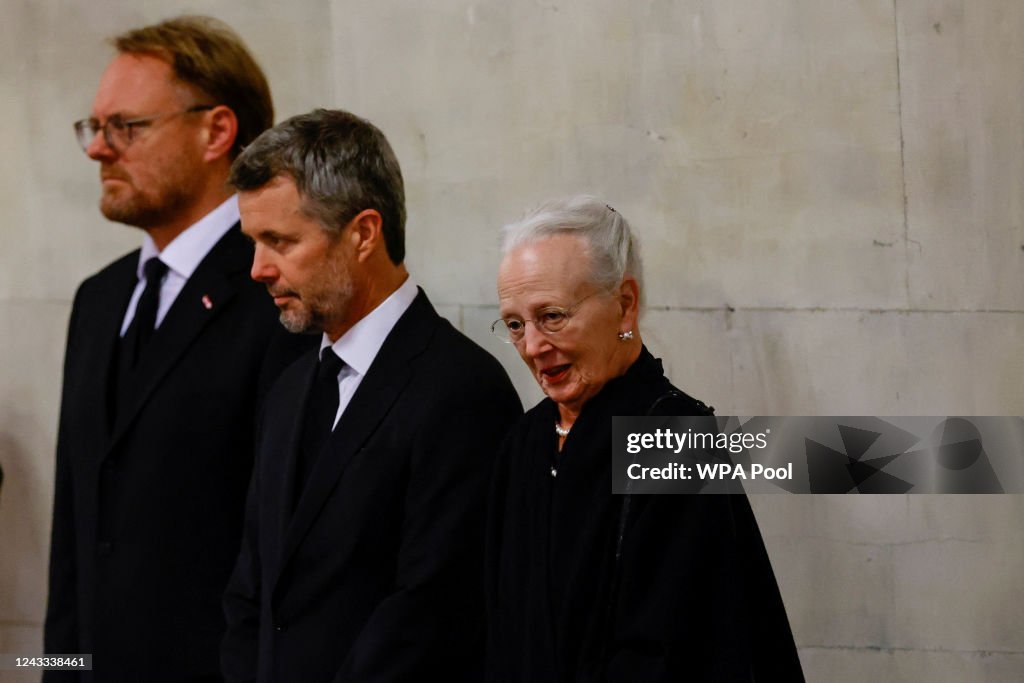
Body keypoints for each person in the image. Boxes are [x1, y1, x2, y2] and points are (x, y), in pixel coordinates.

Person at [46, 16, 310, 682]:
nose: (98, 150)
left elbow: (286, 547)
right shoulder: (99, 299)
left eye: (125, 127)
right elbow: (74, 542)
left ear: (216, 131)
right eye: (94, 126)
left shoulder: (279, 295)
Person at [220, 108, 523, 682]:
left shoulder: (461, 390)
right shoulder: (289, 390)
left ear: (363, 233)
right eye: (254, 241)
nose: (258, 268)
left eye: (280, 241)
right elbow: (250, 591)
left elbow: (432, 614)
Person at [486, 196, 804, 681]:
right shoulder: (524, 444)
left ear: (624, 304)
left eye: (552, 316)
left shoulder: (675, 440)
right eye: (514, 324)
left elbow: (680, 652)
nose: (532, 346)